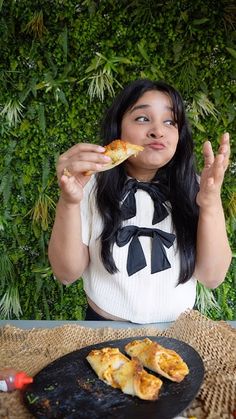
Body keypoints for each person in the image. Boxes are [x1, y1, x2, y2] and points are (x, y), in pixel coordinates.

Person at [48, 79, 232, 323]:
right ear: (118, 129)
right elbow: (66, 273)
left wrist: (210, 203)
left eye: (170, 121)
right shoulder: (88, 185)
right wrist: (69, 202)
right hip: (104, 331)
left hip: (178, 334)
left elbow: (212, 277)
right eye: (143, 118)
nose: (158, 130)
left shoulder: (197, 188)